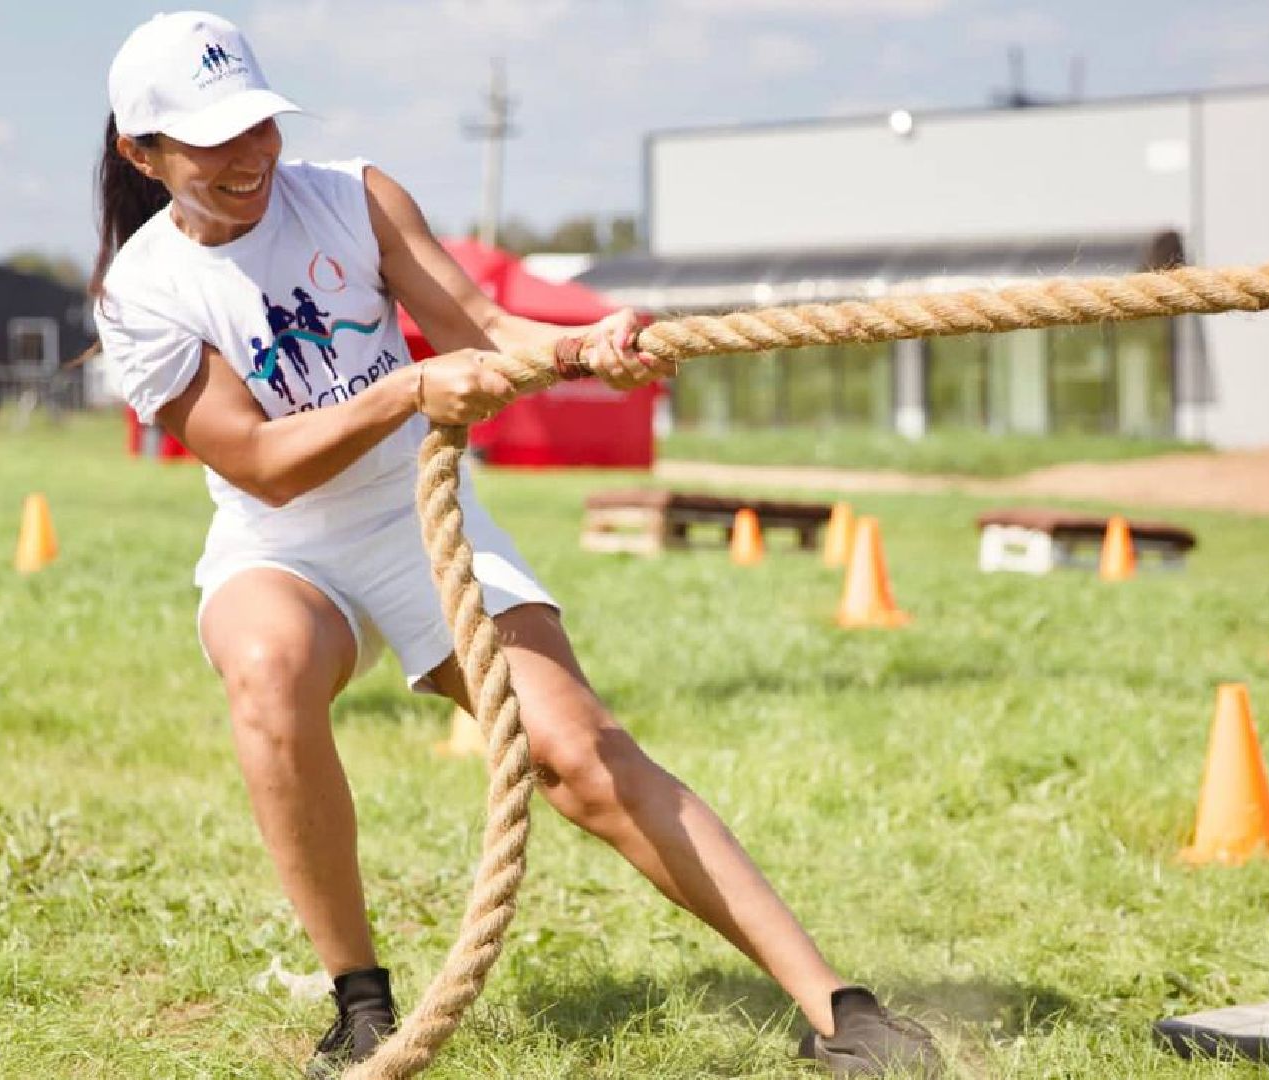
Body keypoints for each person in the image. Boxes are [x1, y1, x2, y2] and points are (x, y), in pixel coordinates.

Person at [92, 12, 942, 1078]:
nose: (247, 155)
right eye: (210, 140)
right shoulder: (142, 291)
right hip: (280, 543)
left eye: (256, 124)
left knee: (579, 756)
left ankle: (839, 1011)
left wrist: (586, 350)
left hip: (417, 514)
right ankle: (357, 1003)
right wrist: (405, 384)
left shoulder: (352, 194)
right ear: (144, 152)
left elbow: (484, 331)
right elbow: (260, 460)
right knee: (265, 672)